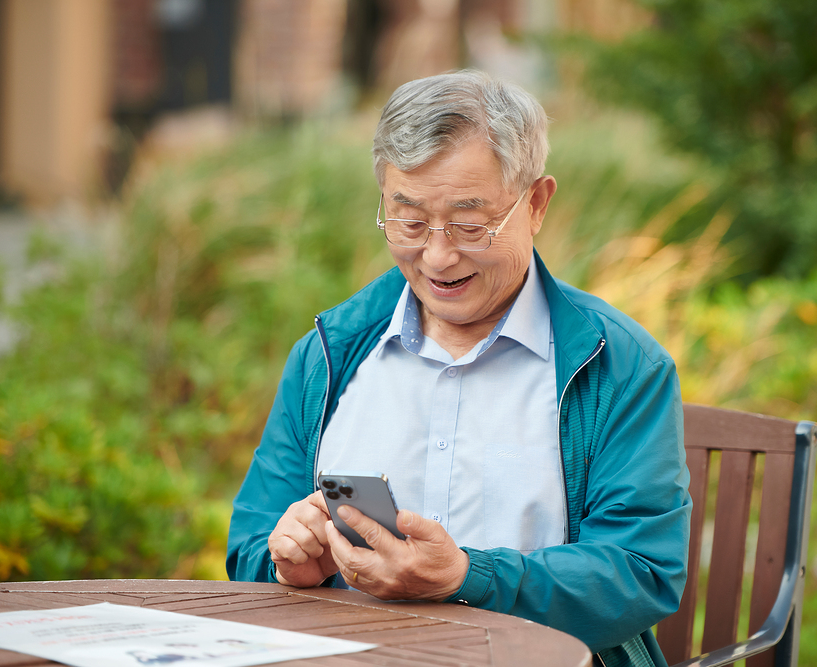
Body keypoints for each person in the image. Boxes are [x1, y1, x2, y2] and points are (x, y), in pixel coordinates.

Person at [227, 70, 691, 667]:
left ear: (537, 203)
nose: (439, 257)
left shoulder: (619, 366)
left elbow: (641, 569)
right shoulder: (329, 353)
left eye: (472, 225)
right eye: (410, 222)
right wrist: (286, 559)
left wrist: (468, 577)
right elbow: (249, 545)